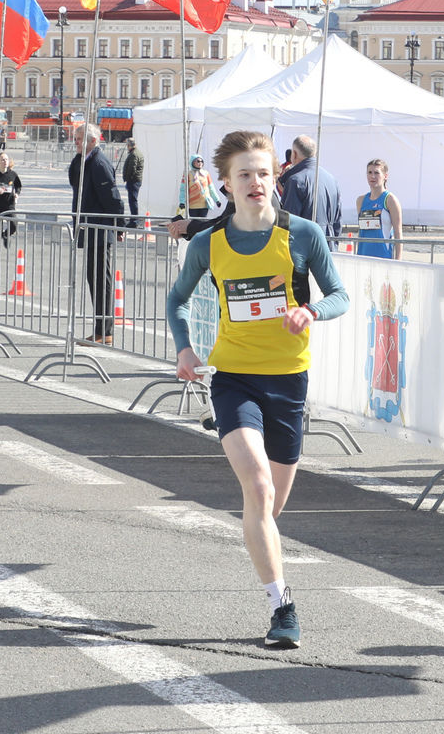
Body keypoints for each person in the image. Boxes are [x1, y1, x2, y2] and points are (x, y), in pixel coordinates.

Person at [166, 128, 349, 649]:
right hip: (233, 380)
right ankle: (282, 607)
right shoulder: (210, 243)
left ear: (277, 179)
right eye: (244, 174)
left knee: (269, 508)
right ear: (225, 184)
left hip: (288, 381)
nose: (255, 182)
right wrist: (185, 349)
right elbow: (177, 300)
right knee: (259, 488)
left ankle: (261, 550)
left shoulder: (303, 235)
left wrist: (309, 310)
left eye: (264, 173)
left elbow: (339, 295)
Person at [68, 123, 126, 344]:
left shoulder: (99, 163)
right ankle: (101, 329)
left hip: (100, 229)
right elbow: (74, 180)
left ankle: (105, 331)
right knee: (95, 279)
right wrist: (79, 157)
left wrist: (118, 225)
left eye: (79, 138)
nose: (75, 142)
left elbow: (113, 199)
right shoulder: (85, 161)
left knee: (102, 281)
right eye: (75, 138)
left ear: (93, 141)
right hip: (90, 228)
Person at [277, 136, 342, 243]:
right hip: (328, 244)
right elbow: (338, 221)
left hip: (304, 247)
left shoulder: (295, 180)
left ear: (294, 154)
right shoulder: (332, 179)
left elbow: (288, 222)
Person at [354, 160, 404, 259]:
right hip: (363, 256)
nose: (372, 176)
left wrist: (398, 261)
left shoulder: (390, 200)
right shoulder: (360, 200)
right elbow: (361, 231)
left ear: (385, 176)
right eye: (369, 172)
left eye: (376, 173)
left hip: (383, 257)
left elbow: (398, 233)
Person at [183, 155, 215, 220]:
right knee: (194, 224)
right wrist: (182, 202)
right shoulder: (188, 174)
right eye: (198, 161)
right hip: (193, 206)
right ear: (192, 162)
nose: (200, 163)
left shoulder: (206, 173)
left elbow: (211, 188)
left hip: (204, 205)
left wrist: (217, 200)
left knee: (202, 223)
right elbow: (183, 189)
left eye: (201, 161)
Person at [122, 139, 145, 217]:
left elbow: (132, 169)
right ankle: (134, 219)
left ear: (129, 145)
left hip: (133, 181)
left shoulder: (134, 154)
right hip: (135, 180)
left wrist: (127, 179)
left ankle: (134, 220)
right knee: (133, 200)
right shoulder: (137, 153)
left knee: (132, 201)